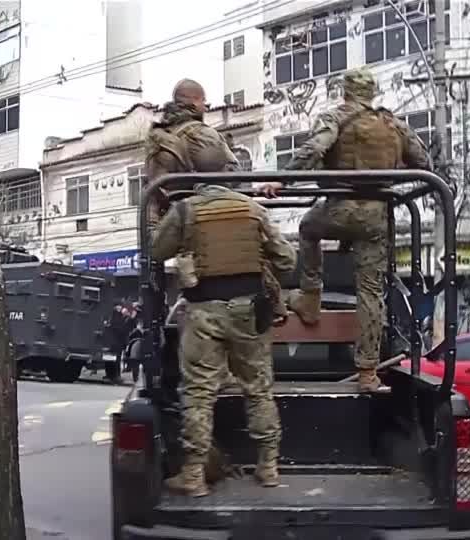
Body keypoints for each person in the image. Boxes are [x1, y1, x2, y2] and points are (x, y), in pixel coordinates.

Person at [260, 68, 431, 392]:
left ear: (345, 92)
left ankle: (311, 297)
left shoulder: (335, 117)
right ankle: (367, 373)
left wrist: (282, 180)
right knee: (370, 292)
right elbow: (424, 162)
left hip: (340, 207)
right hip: (376, 216)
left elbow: (314, 150)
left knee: (308, 227)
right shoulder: (393, 124)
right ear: (373, 92)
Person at [152, 181, 297, 497]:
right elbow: (287, 260)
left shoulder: (186, 209)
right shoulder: (253, 208)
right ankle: (269, 467)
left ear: (201, 184)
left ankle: (193, 476)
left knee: (199, 391)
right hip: (249, 310)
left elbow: (156, 250)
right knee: (258, 387)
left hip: (203, 311)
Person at [144, 79, 240, 228]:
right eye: (204, 102)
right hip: (200, 222)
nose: (206, 108)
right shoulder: (202, 134)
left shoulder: (156, 137)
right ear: (195, 102)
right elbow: (231, 176)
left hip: (164, 225)